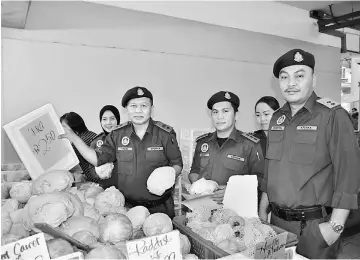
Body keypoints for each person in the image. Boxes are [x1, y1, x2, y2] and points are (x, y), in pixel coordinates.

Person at [259, 48, 360, 259]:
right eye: (284, 77)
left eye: (300, 75)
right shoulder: (277, 118)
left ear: (314, 79)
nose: (291, 83)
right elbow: (270, 169)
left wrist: (335, 227)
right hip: (276, 223)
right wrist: (262, 212)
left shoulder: (333, 116)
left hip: (314, 227)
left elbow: (348, 174)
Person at [59, 86, 183, 218]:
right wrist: (74, 138)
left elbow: (178, 163)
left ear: (151, 108)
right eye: (133, 106)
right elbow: (97, 159)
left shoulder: (165, 134)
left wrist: (170, 174)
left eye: (144, 106)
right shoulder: (117, 135)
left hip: (160, 209)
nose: (138, 110)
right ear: (126, 110)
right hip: (128, 210)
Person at [188, 91, 264, 204]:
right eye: (215, 112)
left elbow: (260, 180)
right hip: (203, 208)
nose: (220, 117)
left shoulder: (250, 145)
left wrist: (232, 190)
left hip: (235, 210)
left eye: (225, 111)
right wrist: (199, 186)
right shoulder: (203, 142)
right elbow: (194, 171)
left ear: (236, 115)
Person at [87, 105, 121, 189]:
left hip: (125, 187)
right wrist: (99, 174)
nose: (108, 122)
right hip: (105, 188)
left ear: (118, 120)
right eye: (104, 119)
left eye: (112, 118)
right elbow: (91, 166)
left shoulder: (125, 138)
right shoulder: (96, 142)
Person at [60, 112, 97, 181]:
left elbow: (65, 165)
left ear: (74, 126)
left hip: (98, 181)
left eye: (64, 127)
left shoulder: (79, 143)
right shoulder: (91, 134)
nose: (62, 131)